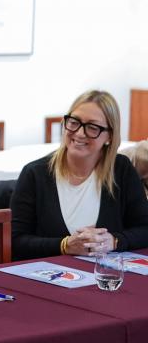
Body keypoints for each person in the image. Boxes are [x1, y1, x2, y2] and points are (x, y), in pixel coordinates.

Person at [11, 90, 148, 260]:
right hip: (49, 279)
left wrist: (114, 241)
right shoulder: (34, 174)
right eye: (74, 122)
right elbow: (15, 242)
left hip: (105, 277)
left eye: (92, 127)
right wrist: (64, 245)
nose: (79, 133)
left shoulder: (121, 170)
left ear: (110, 136)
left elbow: (144, 229)